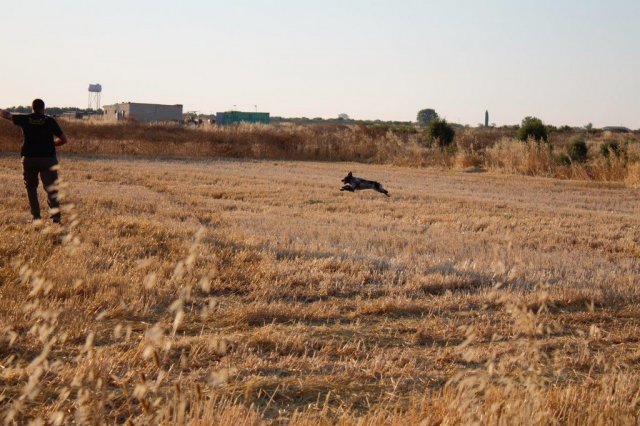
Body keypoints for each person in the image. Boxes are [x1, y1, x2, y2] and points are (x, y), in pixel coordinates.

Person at [0, 99, 68, 223]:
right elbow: (64, 139)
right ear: (44, 108)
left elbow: (7, 115)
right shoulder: (50, 121)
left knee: (31, 188)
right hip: (48, 159)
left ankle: (36, 217)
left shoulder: (25, 119)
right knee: (51, 189)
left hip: (29, 159)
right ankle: (56, 218)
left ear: (32, 108)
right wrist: (53, 144)